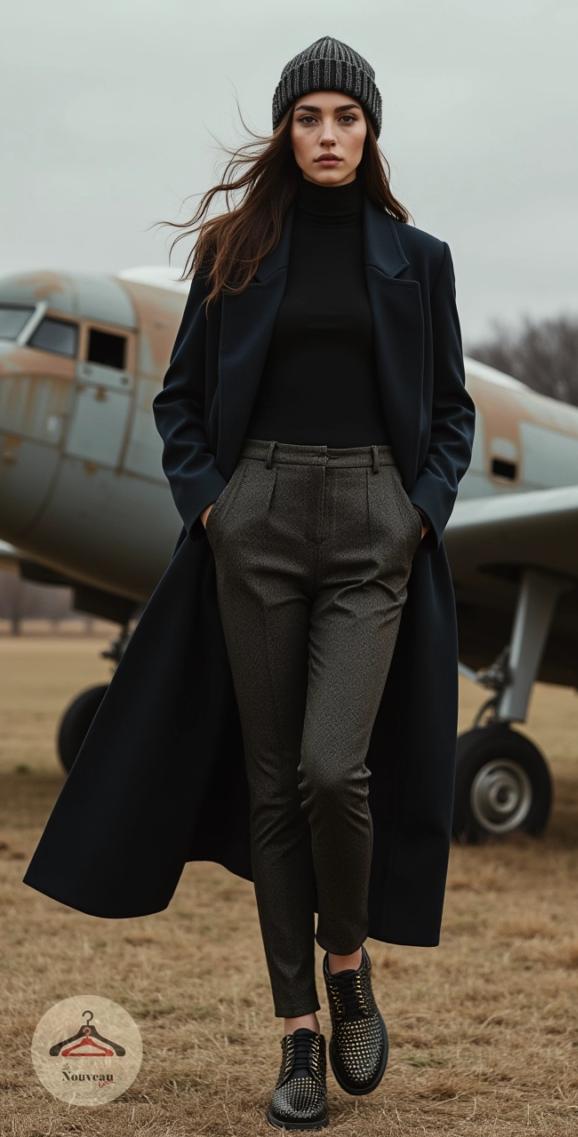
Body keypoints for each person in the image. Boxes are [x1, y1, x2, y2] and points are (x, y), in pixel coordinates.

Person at [22, 34, 475, 1133]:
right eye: (309, 117)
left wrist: (418, 510)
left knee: (331, 768)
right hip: (255, 519)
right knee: (273, 786)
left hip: (374, 522)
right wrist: (212, 505)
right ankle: (298, 1038)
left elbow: (451, 413)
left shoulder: (420, 261)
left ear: (370, 133)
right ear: (286, 130)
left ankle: (347, 964)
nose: (328, 135)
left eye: (346, 118)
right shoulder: (234, 249)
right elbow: (179, 402)